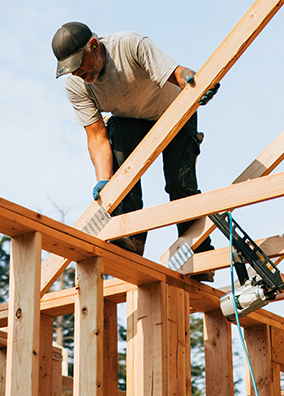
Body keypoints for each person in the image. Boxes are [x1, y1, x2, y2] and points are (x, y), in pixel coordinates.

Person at [52, 21, 218, 265]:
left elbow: (178, 74)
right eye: (70, 70)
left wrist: (196, 83)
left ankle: (197, 252)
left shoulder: (129, 45)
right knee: (118, 155)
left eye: (78, 65)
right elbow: (97, 135)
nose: (77, 73)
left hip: (173, 111)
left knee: (179, 183)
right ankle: (129, 237)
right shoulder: (77, 85)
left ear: (94, 46)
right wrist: (105, 181)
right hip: (130, 121)